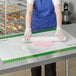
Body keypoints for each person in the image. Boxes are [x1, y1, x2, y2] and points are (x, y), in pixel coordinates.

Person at [24, 0, 64, 76]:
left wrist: (59, 28)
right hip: (36, 31)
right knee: (35, 64)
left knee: (50, 64)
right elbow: (29, 11)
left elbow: (58, 11)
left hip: (50, 31)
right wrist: (28, 28)